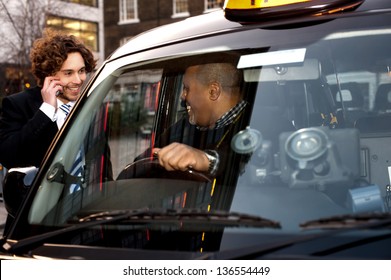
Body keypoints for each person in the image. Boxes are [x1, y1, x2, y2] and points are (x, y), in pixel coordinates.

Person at [0, 29, 97, 170]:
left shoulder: (89, 102)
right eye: (68, 73)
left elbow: (101, 157)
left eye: (81, 71)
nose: (78, 80)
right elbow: (8, 157)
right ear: (49, 74)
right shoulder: (18, 104)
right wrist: (46, 111)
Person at [152, 62, 248, 178]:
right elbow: (141, 164)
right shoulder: (182, 128)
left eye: (187, 88)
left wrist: (206, 160)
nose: (182, 96)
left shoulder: (257, 123)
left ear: (213, 92)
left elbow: (247, 166)